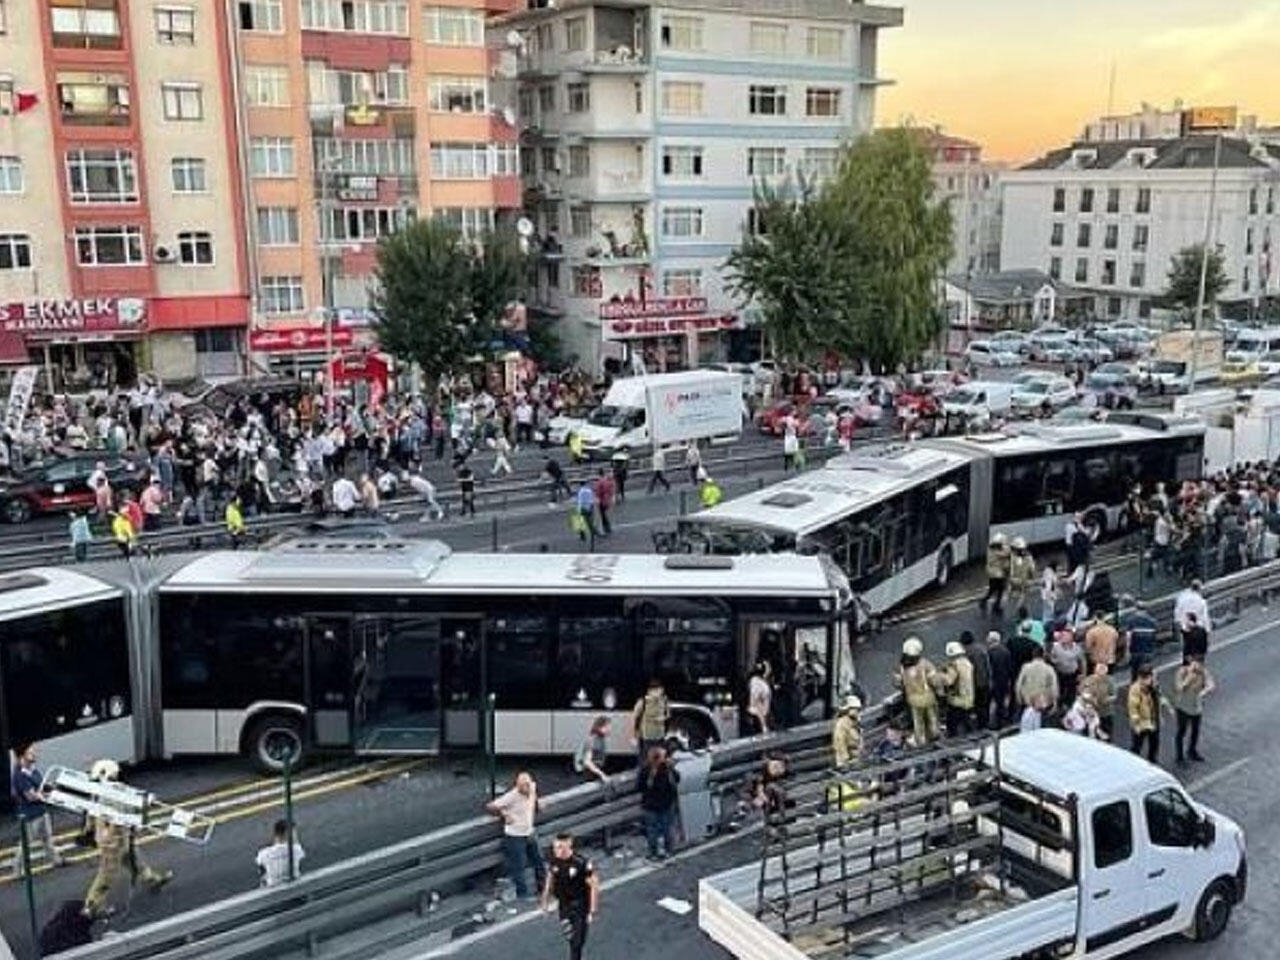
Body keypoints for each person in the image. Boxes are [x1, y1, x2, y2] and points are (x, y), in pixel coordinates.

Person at [83, 759, 172, 918]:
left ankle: (151, 880)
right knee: (107, 875)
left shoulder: (97, 793)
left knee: (135, 860)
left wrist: (90, 830)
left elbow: (90, 816)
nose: (117, 775)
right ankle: (92, 905)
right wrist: (146, 804)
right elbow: (129, 809)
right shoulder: (113, 793)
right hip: (114, 842)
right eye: (115, 773)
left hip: (114, 839)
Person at [485, 772, 545, 901]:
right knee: (519, 866)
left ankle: (543, 888)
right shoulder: (511, 796)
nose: (526, 789)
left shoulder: (532, 788)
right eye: (522, 786)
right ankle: (522, 894)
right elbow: (490, 806)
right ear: (518, 787)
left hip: (529, 832)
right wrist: (505, 815)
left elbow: (534, 796)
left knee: (539, 861)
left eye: (527, 785)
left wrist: (538, 802)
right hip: (515, 836)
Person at [10, 743, 65, 878]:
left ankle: (56, 860)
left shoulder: (33, 769)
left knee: (47, 838)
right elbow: (30, 796)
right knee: (26, 843)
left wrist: (49, 788)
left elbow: (40, 786)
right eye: (31, 752)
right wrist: (46, 795)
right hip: (30, 815)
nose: (35, 753)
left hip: (41, 810)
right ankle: (16, 868)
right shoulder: (19, 775)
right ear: (22, 755)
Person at [541, 833, 599, 960]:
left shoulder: (581, 863)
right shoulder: (554, 860)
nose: (557, 850)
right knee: (570, 937)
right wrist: (544, 901)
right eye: (555, 847)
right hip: (564, 906)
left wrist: (592, 910)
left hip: (580, 906)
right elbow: (549, 881)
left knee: (578, 942)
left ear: (569, 846)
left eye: (560, 847)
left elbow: (594, 886)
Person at [637, 747, 680, 861]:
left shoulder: (646, 770)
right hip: (666, 804)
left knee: (653, 831)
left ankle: (653, 853)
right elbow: (677, 780)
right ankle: (668, 851)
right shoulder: (667, 770)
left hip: (650, 805)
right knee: (667, 829)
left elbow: (640, 787)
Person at [894, 637, 939, 745]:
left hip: (913, 699)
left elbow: (897, 683)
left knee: (918, 722)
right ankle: (934, 737)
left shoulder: (901, 667)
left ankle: (921, 741)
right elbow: (935, 680)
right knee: (932, 718)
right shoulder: (925, 664)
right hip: (928, 697)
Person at [1171, 656, 1214, 766]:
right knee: (1181, 731)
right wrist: (1189, 678)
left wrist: (1204, 692)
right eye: (1195, 663)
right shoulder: (1182, 672)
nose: (1198, 667)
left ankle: (1192, 751)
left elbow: (1211, 684)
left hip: (1196, 707)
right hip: (1183, 707)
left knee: (1195, 730)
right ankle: (1179, 757)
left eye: (1200, 664)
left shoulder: (1203, 672)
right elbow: (1179, 688)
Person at [1127, 664, 1161, 764]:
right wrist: (1136, 724)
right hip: (1142, 722)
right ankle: (1134, 763)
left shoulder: (1153, 686)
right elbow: (1133, 708)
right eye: (1150, 677)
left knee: (1154, 743)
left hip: (1153, 719)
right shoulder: (1135, 689)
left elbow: (1157, 700)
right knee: (1137, 745)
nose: (1151, 679)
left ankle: (1152, 760)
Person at [256, 819, 305, 887]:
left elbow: (262, 875)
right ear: (287, 834)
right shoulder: (297, 849)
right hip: (296, 890)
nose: (296, 837)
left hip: (273, 892)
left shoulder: (263, 854)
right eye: (294, 834)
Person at [941, 641, 975, 736]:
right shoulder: (968, 663)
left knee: (952, 722)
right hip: (969, 697)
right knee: (966, 719)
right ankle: (972, 736)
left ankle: (954, 741)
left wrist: (942, 675)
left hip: (957, 699)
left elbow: (949, 681)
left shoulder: (954, 665)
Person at [631, 678, 669, 763]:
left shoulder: (664, 701)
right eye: (655, 690)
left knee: (660, 760)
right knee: (646, 760)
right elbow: (635, 718)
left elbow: (667, 715)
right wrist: (634, 735)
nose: (658, 692)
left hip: (660, 736)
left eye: (660, 689)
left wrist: (662, 719)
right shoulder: (643, 702)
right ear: (650, 691)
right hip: (647, 737)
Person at [960, 631, 992, 730]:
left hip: (974, 683)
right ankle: (985, 724)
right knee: (984, 705)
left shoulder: (966, 652)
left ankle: (976, 726)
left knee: (976, 705)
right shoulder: (982, 648)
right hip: (985, 681)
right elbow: (988, 665)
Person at [1014, 645, 1059, 717]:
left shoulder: (1026, 667)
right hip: (1043, 701)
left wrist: (1019, 697)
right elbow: (1054, 686)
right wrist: (1054, 702)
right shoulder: (1049, 669)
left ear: (1033, 655)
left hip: (1027, 700)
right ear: (1043, 655)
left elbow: (1019, 684)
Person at [1080, 662, 1116, 739]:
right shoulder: (1088, 680)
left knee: (1106, 734)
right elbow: (1083, 693)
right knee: (1089, 734)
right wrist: (1091, 699)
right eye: (1099, 669)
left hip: (1106, 712)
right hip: (1091, 712)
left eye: (1103, 670)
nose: (1101, 672)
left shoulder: (1110, 681)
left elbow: (1114, 695)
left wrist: (1107, 700)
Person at [985, 630, 1014, 729]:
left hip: (993, 681)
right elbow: (1010, 667)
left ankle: (989, 722)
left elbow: (988, 669)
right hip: (1003, 680)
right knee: (1000, 702)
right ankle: (1000, 722)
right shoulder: (1006, 651)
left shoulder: (989, 653)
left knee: (988, 702)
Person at [979, 533, 1012, 616]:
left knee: (994, 590)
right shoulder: (997, 552)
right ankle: (994, 605)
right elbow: (1007, 553)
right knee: (998, 590)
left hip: (993, 574)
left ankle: (988, 602)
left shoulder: (991, 549)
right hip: (998, 574)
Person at [574, 717, 611, 786]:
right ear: (600, 727)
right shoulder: (594, 741)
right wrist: (602, 775)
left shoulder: (600, 739)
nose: (609, 729)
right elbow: (587, 762)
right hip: (587, 775)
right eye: (607, 727)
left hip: (592, 773)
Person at [831, 695, 862, 767]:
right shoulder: (842, 724)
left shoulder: (855, 722)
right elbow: (840, 742)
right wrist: (845, 758)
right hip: (846, 760)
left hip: (855, 757)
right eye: (854, 708)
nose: (857, 711)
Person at [747, 661, 773, 735]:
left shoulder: (764, 682)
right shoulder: (756, 682)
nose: (770, 669)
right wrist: (763, 724)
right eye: (768, 668)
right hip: (757, 718)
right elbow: (757, 703)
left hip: (764, 716)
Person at [593, 468, 615, 537]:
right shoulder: (607, 481)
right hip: (606, 500)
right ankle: (607, 528)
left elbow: (598, 492)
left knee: (600, 515)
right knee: (604, 515)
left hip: (601, 500)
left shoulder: (599, 482)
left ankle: (601, 530)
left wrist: (596, 498)